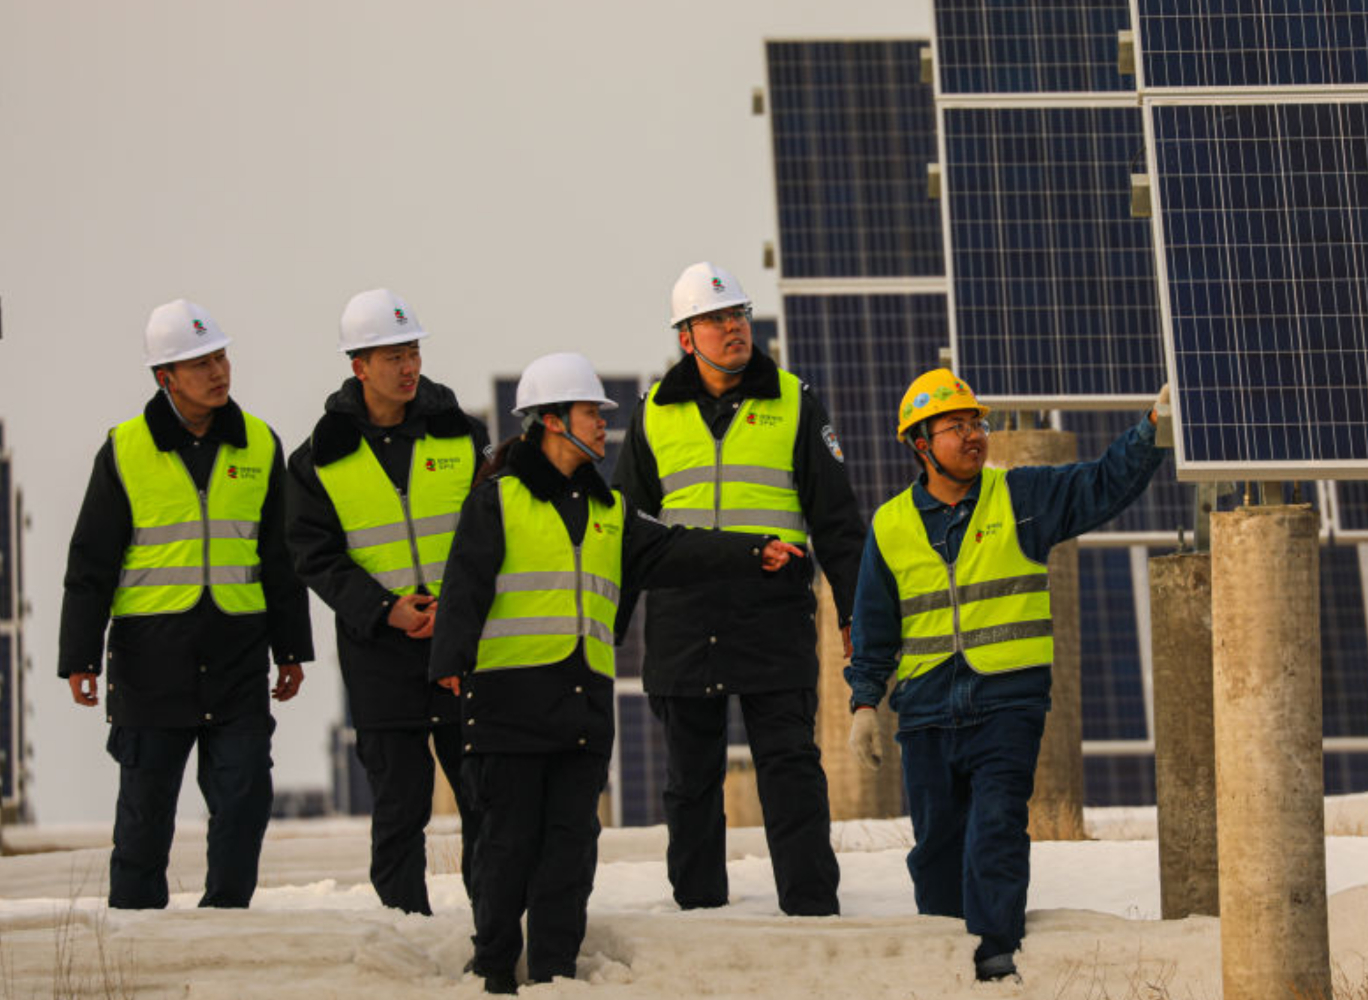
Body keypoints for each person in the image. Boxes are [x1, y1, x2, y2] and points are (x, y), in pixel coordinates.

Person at [430, 352, 807, 994]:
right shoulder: (498, 500)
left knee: (570, 850)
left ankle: (553, 974)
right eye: (590, 413)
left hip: (580, 706)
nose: (604, 424)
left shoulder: (610, 511)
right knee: (505, 846)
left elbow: (677, 547)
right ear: (551, 421)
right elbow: (463, 590)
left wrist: (752, 550)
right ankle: (493, 969)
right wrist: (449, 667)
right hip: (506, 708)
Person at [844, 369, 1169, 982]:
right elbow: (875, 625)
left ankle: (995, 957)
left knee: (996, 829)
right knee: (937, 847)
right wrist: (865, 705)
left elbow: (1101, 484)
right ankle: (946, 956)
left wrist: (1151, 431)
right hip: (927, 711)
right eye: (957, 426)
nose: (974, 435)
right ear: (920, 443)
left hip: (1006, 703)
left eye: (978, 423)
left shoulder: (1020, 497)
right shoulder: (889, 525)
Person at [613, 261, 863, 916]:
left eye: (739, 315)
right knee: (690, 782)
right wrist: (605, 628)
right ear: (685, 337)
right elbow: (623, 533)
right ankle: (699, 912)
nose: (734, 329)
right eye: (716, 319)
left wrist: (855, 613)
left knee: (790, 768)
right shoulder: (652, 415)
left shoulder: (795, 402)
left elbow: (838, 522)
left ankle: (812, 911)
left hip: (773, 617)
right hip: (681, 621)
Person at [58, 298, 314, 909]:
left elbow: (279, 558)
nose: (218, 372)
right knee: (144, 817)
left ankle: (225, 920)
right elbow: (91, 563)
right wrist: (79, 658)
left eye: (221, 357)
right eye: (200, 364)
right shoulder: (125, 449)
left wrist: (292, 650)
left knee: (245, 798)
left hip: (237, 658)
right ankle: (136, 935)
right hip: (151, 663)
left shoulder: (259, 444)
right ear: (165, 377)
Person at [286, 289, 485, 915]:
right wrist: (385, 610)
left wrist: (455, 609)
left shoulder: (463, 436)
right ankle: (406, 931)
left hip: (461, 646)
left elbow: (494, 532)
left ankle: (495, 925)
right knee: (400, 805)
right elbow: (315, 557)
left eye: (413, 352)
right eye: (393, 356)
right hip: (379, 655)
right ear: (359, 366)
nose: (408, 367)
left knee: (485, 797)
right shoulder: (319, 460)